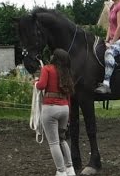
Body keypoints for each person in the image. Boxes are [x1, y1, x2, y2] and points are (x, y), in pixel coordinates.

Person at [36, 48, 76, 176]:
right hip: (65, 108)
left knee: (53, 143)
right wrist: (68, 115)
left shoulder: (47, 69)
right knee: (62, 140)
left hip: (50, 108)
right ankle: (70, 169)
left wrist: (35, 83)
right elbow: (69, 96)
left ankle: (61, 171)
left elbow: (41, 85)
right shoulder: (67, 73)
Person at [94, 0, 120, 94]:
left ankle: (106, 84)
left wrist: (112, 43)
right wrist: (106, 40)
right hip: (114, 39)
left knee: (109, 52)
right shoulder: (112, 6)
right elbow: (110, 26)